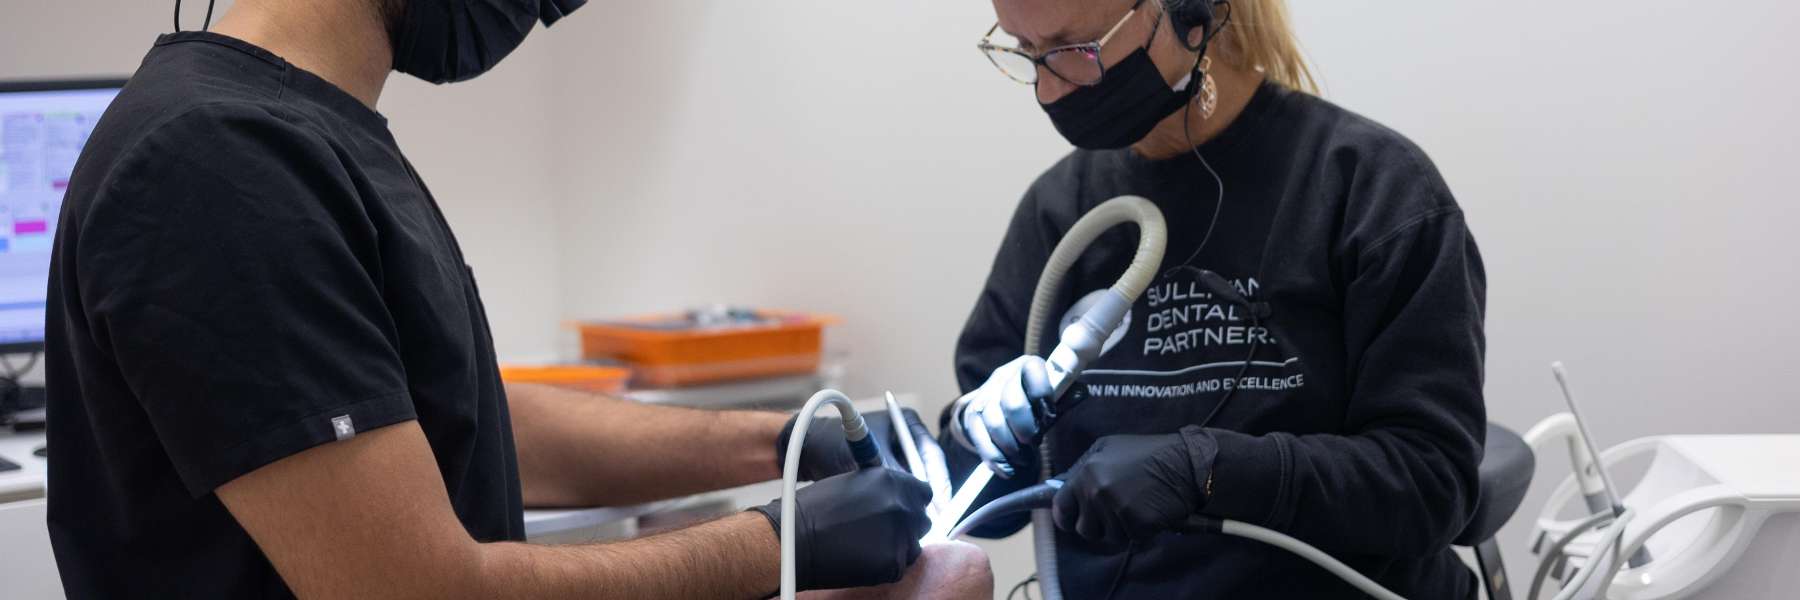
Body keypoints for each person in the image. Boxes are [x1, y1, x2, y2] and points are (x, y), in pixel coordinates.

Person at [44, 1, 981, 598]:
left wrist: (779, 444)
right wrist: (782, 544)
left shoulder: (313, 135)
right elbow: (415, 592)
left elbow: (466, 426)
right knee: (951, 580)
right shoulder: (218, 158)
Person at [940, 0, 1487, 597]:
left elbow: (1431, 485)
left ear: (1190, 13)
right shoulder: (1061, 215)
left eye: (1074, 51)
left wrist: (1206, 472)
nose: (1048, 90)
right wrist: (980, 433)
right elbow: (987, 502)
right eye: (1026, 53)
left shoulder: (1370, 190)